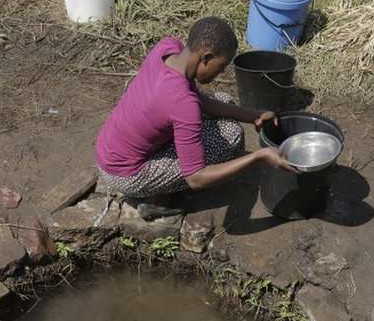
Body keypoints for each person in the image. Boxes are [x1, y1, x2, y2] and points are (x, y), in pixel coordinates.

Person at [95, 16, 294, 216]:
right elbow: (196, 178)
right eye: (221, 66)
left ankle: (212, 169)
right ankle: (157, 200)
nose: (222, 72)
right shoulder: (182, 103)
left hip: (109, 148)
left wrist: (253, 115)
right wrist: (258, 156)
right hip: (125, 174)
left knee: (224, 99)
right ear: (206, 58)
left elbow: (200, 101)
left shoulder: (168, 48)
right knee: (231, 136)